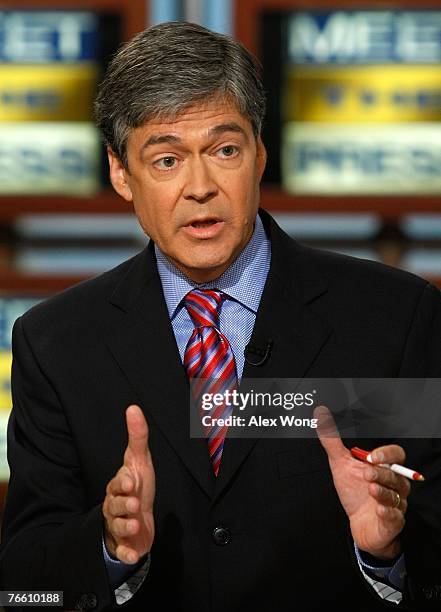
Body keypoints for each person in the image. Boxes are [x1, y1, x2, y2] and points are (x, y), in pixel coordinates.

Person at [1, 21, 441, 612]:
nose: (200, 187)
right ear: (120, 173)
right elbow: (25, 591)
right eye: (165, 160)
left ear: (260, 153)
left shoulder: (395, 317)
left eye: (224, 150)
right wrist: (108, 548)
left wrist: (386, 555)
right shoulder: (55, 344)